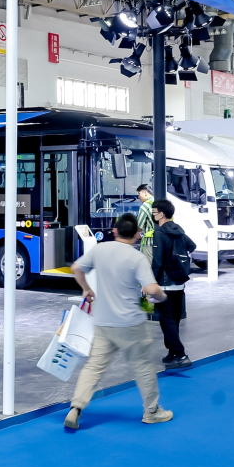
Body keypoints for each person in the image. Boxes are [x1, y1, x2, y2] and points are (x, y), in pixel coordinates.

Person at [65, 213, 171, 431]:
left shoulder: (100, 249)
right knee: (143, 367)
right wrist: (162, 297)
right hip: (131, 324)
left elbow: (76, 268)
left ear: (115, 231)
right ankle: (152, 412)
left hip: (103, 322)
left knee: (94, 367)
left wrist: (86, 288)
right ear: (137, 234)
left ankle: (76, 408)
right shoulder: (137, 258)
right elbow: (151, 289)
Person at [151, 199, 196, 369]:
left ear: (161, 214)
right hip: (179, 283)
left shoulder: (159, 233)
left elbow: (157, 262)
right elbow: (192, 245)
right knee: (173, 319)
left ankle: (181, 354)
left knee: (166, 320)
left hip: (164, 284)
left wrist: (150, 282)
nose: (153, 215)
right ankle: (172, 353)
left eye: (154, 213)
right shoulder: (179, 230)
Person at [135, 184, 154, 258]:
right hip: (162, 242)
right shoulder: (160, 202)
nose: (138, 197)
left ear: (145, 193)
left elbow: (139, 226)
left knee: (148, 264)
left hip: (149, 243)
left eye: (139, 194)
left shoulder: (145, 206)